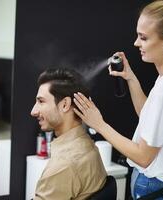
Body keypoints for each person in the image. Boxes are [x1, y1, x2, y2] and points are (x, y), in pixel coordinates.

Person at [74, 0, 163, 199]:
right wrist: (130, 77)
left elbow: (143, 157)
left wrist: (99, 124)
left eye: (144, 37)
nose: (136, 43)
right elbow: (149, 119)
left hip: (158, 190)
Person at [30, 68, 107, 200]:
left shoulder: (63, 165)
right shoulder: (88, 146)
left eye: (41, 101)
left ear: (65, 104)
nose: (33, 111)